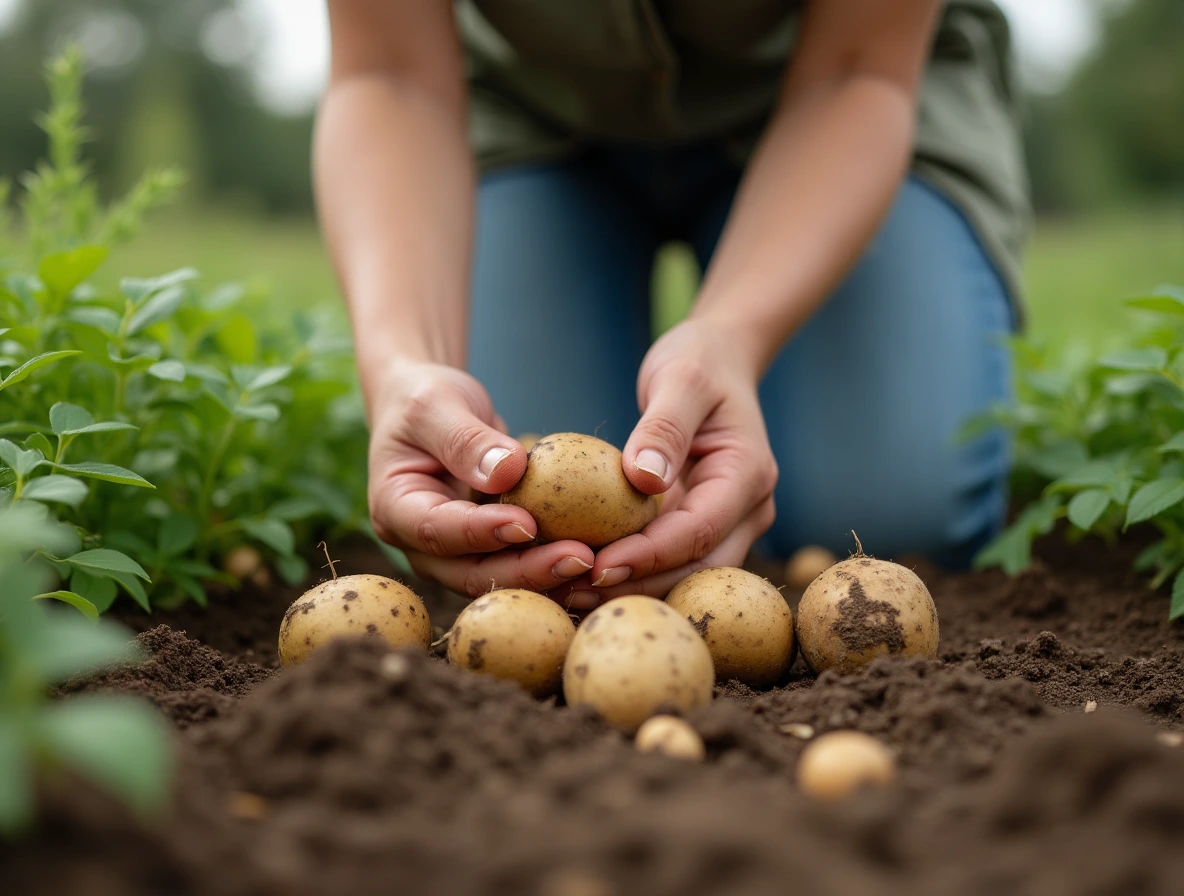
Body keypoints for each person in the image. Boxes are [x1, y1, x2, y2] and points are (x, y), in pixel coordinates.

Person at [314, 0, 1029, 609]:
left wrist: (733, 336)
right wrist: (404, 363)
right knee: (513, 534)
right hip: (527, 109)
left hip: (841, 89)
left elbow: (856, 69)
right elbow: (391, 73)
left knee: (891, 513)